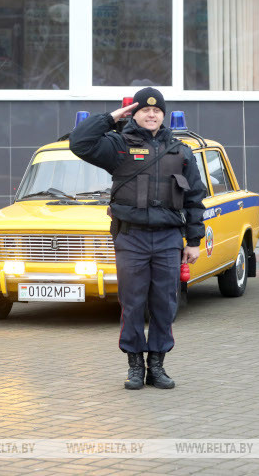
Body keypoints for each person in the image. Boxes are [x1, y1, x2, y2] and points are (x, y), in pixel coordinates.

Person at [69, 87, 207, 390]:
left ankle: (156, 365)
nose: (152, 114)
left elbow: (195, 199)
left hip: (169, 238)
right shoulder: (118, 146)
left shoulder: (181, 151)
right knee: (132, 304)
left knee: (164, 303)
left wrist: (194, 241)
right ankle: (134, 366)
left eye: (157, 110)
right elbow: (79, 142)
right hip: (132, 237)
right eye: (145, 109)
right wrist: (111, 117)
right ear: (135, 113)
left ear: (163, 115)